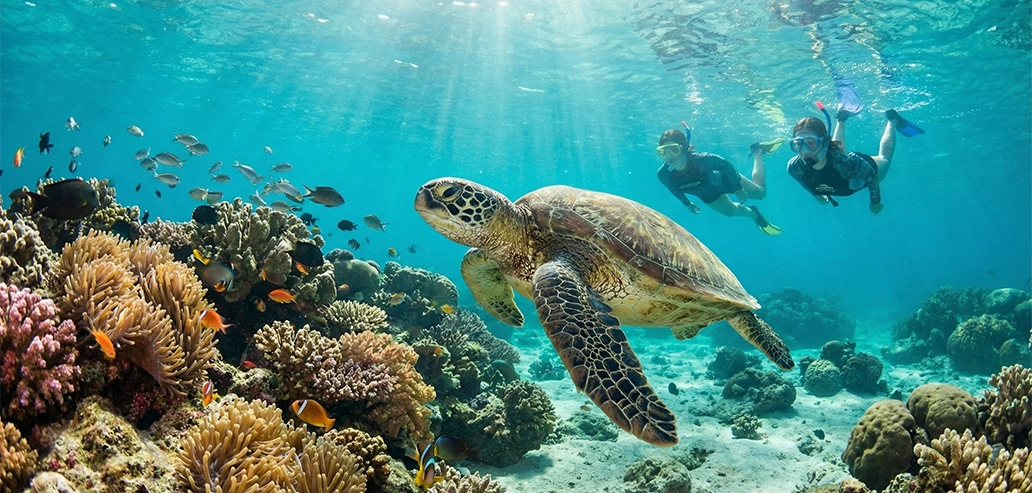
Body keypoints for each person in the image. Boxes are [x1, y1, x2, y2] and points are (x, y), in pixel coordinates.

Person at [786, 104, 923, 214]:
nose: (804, 151)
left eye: (811, 143)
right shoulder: (794, 167)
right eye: (798, 144)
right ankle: (841, 119)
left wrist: (875, 201)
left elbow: (871, 176)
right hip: (840, 165)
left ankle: (892, 121)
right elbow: (802, 180)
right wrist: (815, 195)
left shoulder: (848, 163)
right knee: (837, 155)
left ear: (824, 142)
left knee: (884, 158)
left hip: (863, 166)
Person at [656, 127, 784, 235]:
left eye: (673, 149)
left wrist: (738, 188)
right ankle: (755, 215)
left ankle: (758, 152)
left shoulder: (702, 159)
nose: (669, 156)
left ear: (684, 148)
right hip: (707, 193)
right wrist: (687, 203)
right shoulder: (663, 174)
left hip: (726, 179)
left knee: (760, 193)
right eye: (663, 151)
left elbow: (726, 166)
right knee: (730, 212)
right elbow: (673, 189)